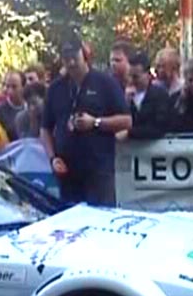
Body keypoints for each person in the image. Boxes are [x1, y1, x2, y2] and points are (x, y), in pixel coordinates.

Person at [40, 36, 132, 206]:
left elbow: (126, 121)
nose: (72, 63)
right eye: (67, 59)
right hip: (67, 172)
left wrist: (95, 122)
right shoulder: (56, 88)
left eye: (75, 57)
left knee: (101, 218)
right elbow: (45, 129)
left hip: (98, 171)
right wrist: (52, 158)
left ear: (85, 55)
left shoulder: (105, 83)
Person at [118, 51, 171, 141]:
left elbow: (159, 128)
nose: (131, 80)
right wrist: (125, 103)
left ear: (148, 75)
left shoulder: (160, 95)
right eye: (129, 76)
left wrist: (130, 133)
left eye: (135, 77)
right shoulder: (121, 94)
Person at [0, 70, 27, 142]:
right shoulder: (0, 110)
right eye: (7, 86)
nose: (9, 91)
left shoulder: (32, 107)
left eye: (14, 87)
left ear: (23, 87)